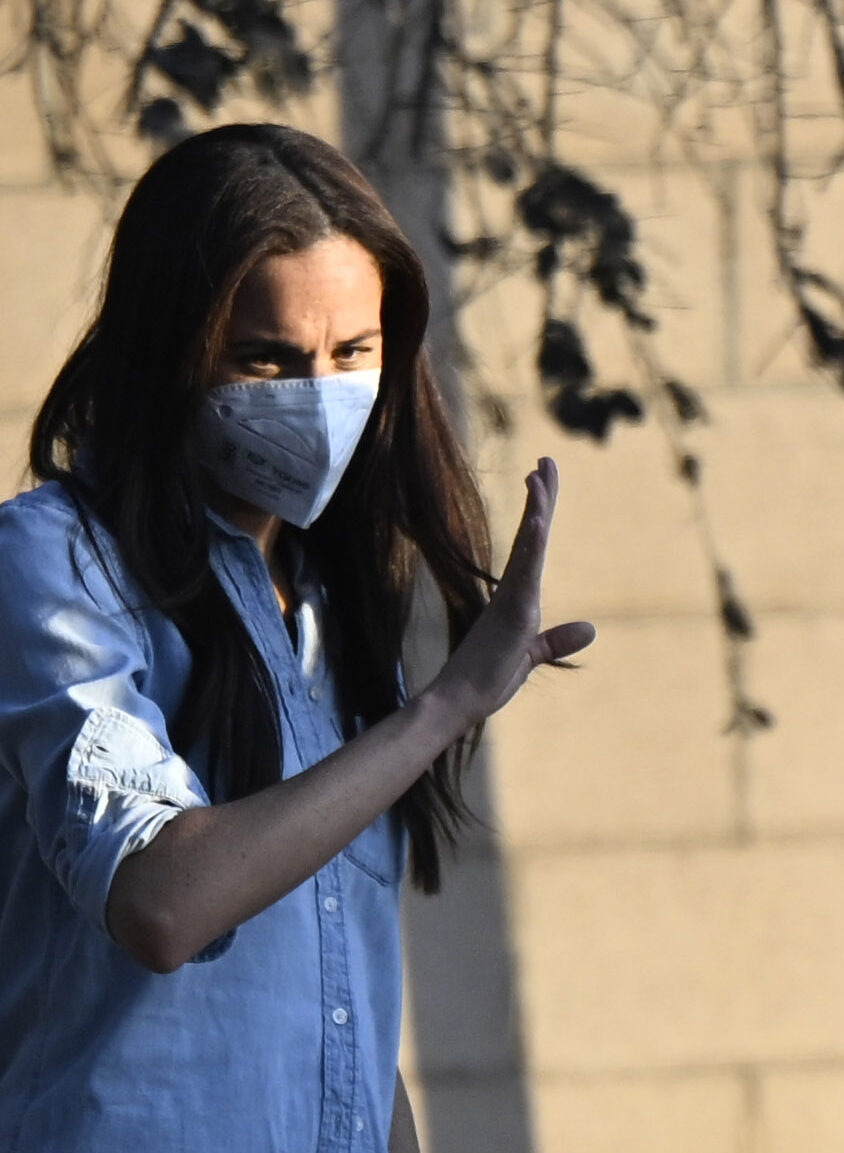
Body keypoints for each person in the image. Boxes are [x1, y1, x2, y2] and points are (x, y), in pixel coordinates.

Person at [0, 124, 594, 1152]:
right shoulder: (55, 564)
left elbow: (340, 1011)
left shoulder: (328, 599)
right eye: (267, 360)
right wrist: (444, 707)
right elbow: (159, 903)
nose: (317, 397)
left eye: (351, 354)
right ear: (170, 355)